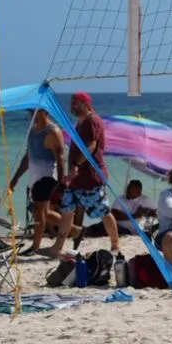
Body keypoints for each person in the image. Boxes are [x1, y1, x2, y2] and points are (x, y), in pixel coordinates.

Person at [47, 92, 122, 258]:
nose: (72, 105)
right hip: (76, 179)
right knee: (67, 211)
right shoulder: (80, 123)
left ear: (86, 104)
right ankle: (57, 247)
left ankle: (115, 244)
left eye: (76, 103)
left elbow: (91, 145)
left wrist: (75, 165)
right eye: (72, 102)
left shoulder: (91, 121)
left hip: (90, 177)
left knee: (103, 211)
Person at [7, 109, 65, 255]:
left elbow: (60, 158)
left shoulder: (53, 131)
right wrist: (16, 178)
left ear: (45, 112)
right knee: (43, 212)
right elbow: (28, 157)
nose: (31, 115)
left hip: (48, 177)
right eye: (30, 112)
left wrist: (61, 183)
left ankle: (35, 247)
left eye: (34, 112)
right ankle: (75, 229)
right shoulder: (33, 131)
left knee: (39, 212)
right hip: (35, 177)